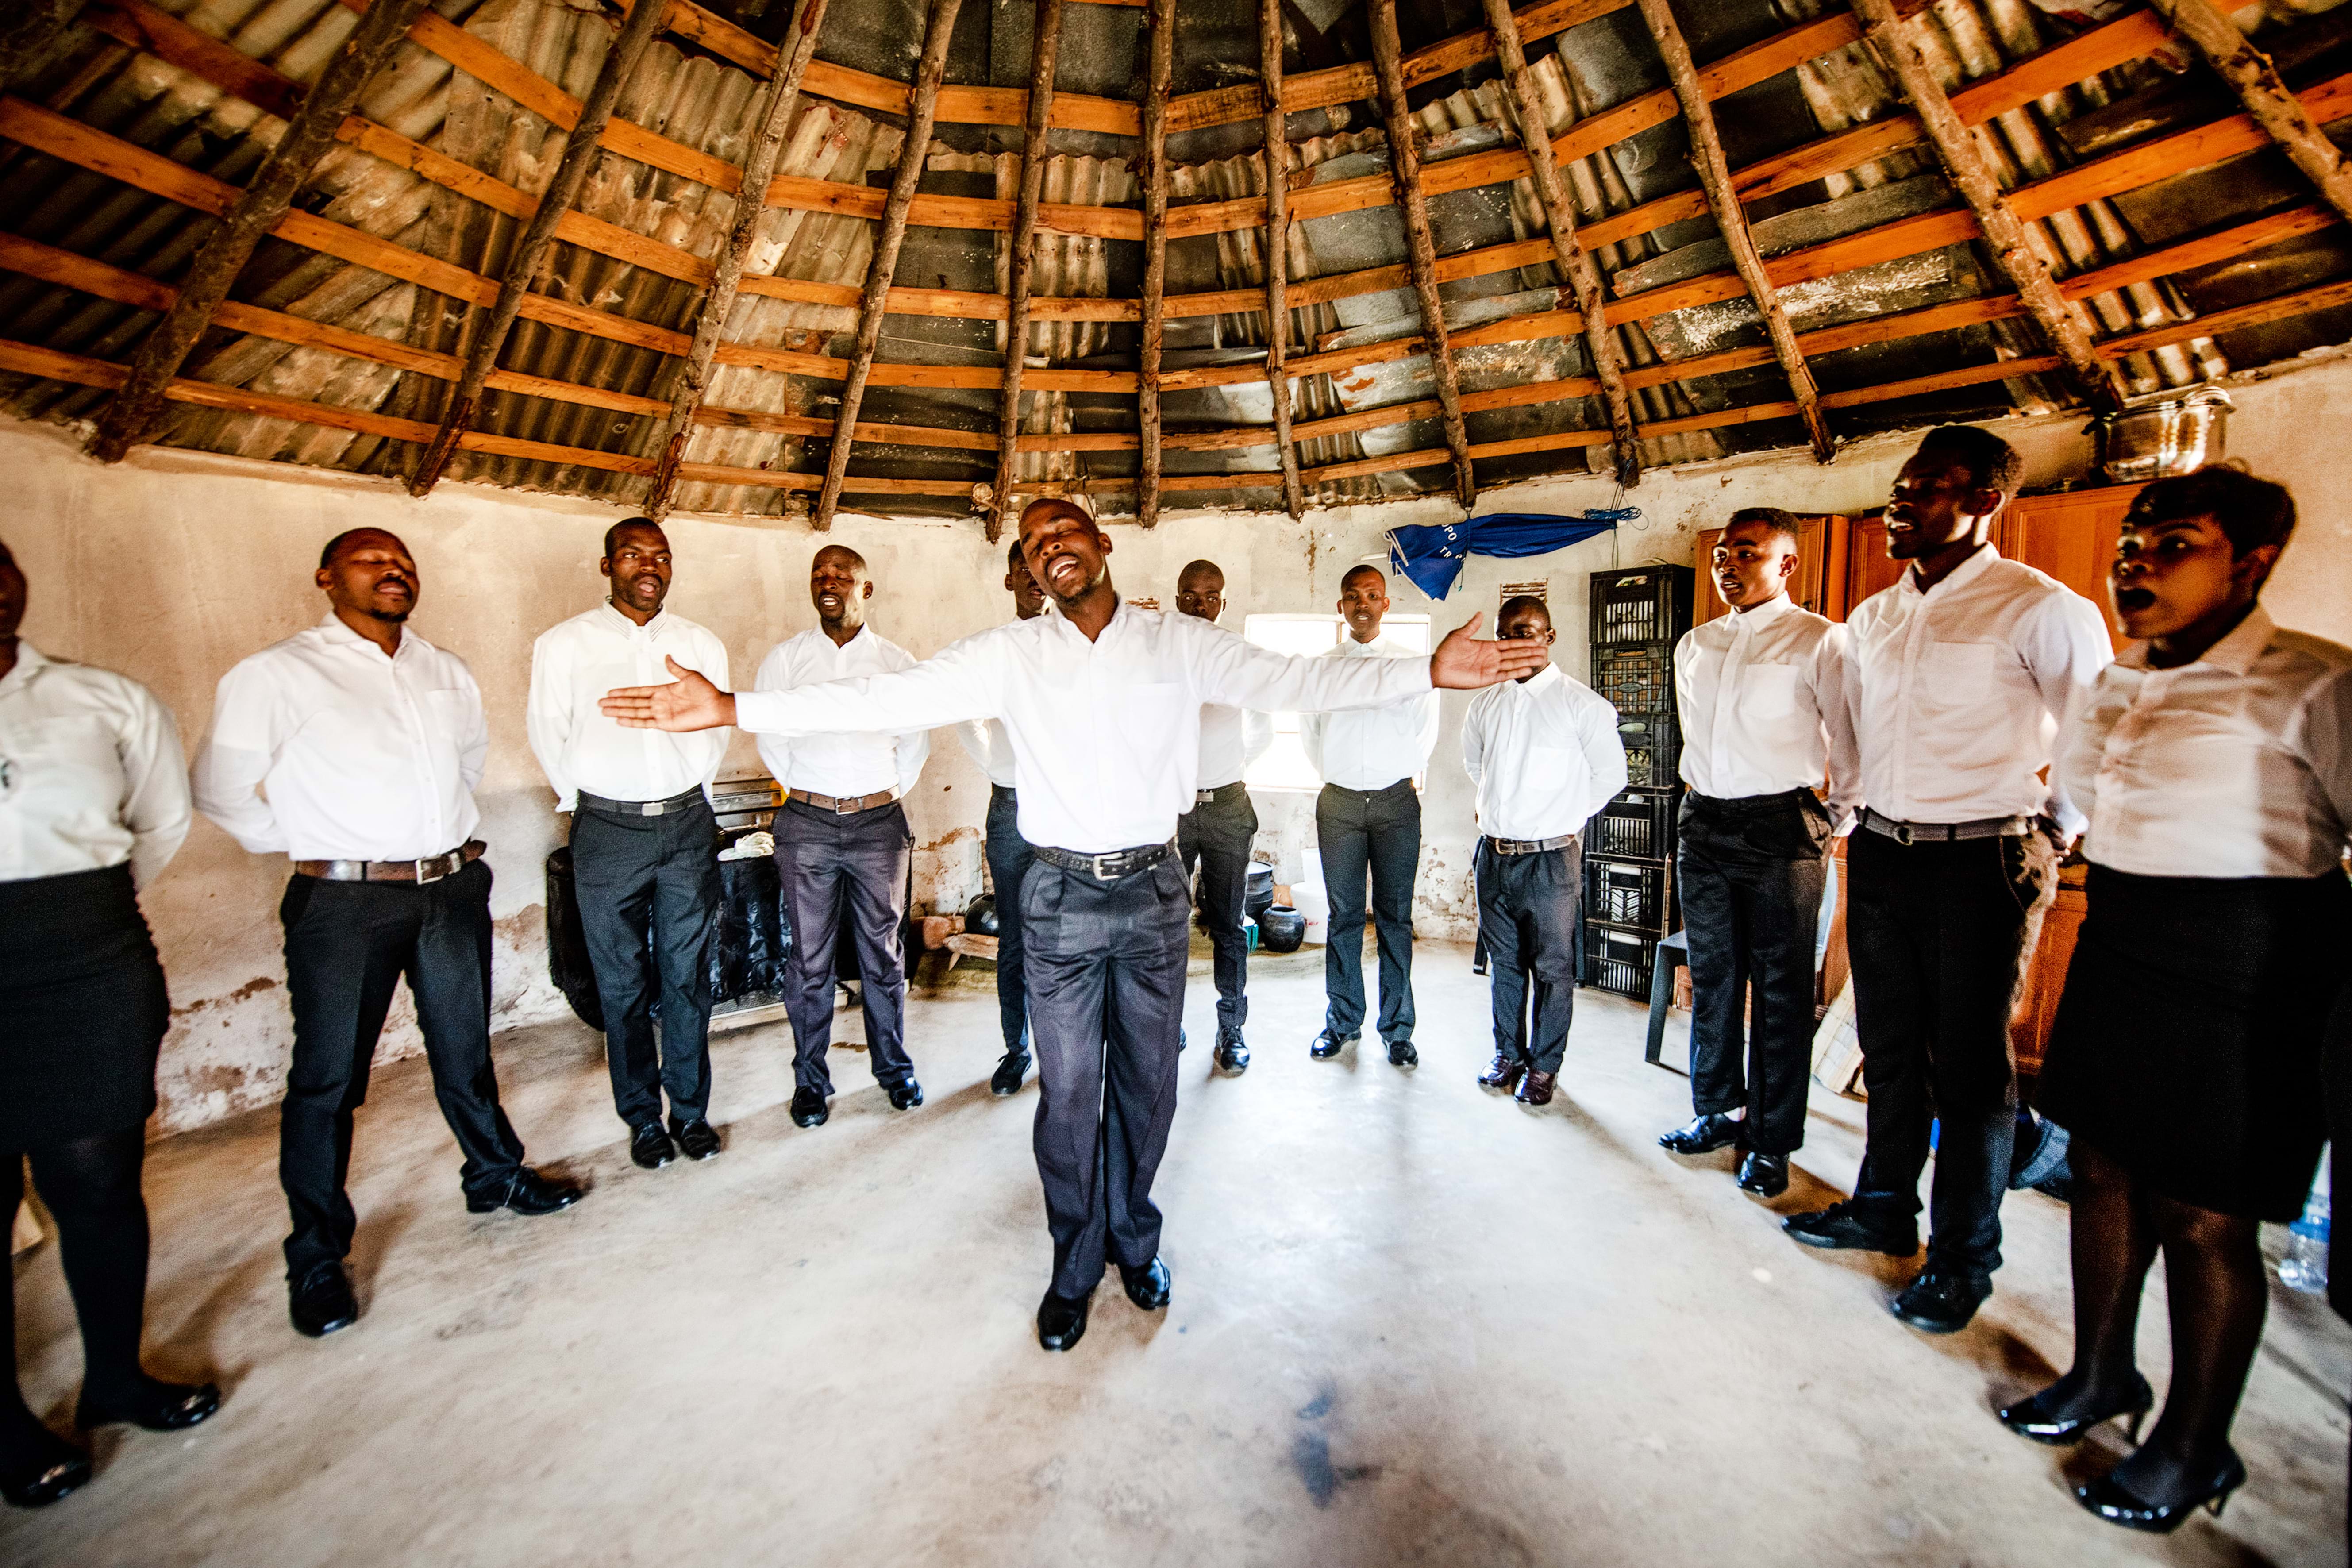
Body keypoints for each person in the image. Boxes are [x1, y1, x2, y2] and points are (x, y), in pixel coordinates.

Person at [600, 499, 1545, 1352]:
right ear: (1028, 568)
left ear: (1101, 544)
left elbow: (1294, 679)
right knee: (1067, 1095)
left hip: (1150, 895)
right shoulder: (1009, 654)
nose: (1049, 546)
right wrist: (732, 707)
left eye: (1063, 530)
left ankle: (1134, 1238)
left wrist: (1425, 670)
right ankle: (1074, 1259)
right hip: (1054, 898)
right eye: (1032, 542)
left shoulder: (1175, 641)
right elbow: (882, 697)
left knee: (1145, 1085)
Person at [2002, 468, 2352, 1532]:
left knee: (2203, 1216)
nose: (2136, 566)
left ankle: (2195, 1446)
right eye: (2130, 547)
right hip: (2124, 937)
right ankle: (2099, 1373)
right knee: (2101, 1170)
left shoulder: (2312, 683)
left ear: (2249, 564)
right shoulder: (2116, 679)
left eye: (2173, 545)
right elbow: (2081, 801)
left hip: (2253, 962)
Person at [193, 528, 583, 1341]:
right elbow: (219, 788)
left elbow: (466, 763)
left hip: (449, 888)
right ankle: (315, 1255)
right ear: (326, 576)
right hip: (344, 904)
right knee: (328, 1080)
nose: (393, 569)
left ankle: (494, 1175)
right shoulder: (276, 673)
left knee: (464, 1051)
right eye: (371, 560)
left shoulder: (444, 669)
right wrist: (314, 842)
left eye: (402, 560)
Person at [1780, 428, 2111, 1335]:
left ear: (1983, 502)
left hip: (1986, 858)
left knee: (1969, 1068)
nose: (1900, 503)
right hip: (1883, 852)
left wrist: (2058, 827)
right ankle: (1882, 1207)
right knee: (1887, 1048)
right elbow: (1850, 732)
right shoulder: (1873, 617)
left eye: (1925, 489)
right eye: (1899, 488)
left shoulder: (2038, 607)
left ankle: (1963, 1259)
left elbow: (2093, 728)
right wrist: (1849, 814)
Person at [0, 538, 219, 1509]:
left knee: (98, 1178)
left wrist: (71, 912)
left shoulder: (101, 699)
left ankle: (116, 1376)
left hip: (85, 957)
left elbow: (160, 823)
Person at [1657, 510, 1854, 1199]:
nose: (1727, 565)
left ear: (1785, 563)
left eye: (1745, 552)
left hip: (1780, 827)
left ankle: (1770, 1140)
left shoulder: (1819, 639)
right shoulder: (1694, 644)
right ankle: (1715, 1111)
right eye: (1721, 554)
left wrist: (1830, 821)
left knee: (1779, 990)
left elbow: (1850, 740)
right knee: (1713, 977)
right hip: (1703, 822)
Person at [527, 519, 730, 1171]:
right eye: (632, 554)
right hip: (607, 831)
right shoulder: (565, 644)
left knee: (687, 975)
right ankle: (642, 1119)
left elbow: (716, 732)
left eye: (660, 556)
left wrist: (687, 792)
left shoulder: (699, 643)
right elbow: (547, 730)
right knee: (620, 981)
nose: (649, 566)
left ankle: (690, 1112)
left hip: (686, 825)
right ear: (606, 565)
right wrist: (587, 801)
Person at [754, 545, 931, 1129]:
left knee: (883, 952)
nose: (827, 583)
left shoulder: (897, 663)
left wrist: (871, 797)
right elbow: (771, 737)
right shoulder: (786, 661)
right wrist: (814, 792)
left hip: (879, 825)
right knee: (809, 958)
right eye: (818, 575)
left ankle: (894, 1069)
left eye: (841, 576)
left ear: (866, 589)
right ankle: (810, 1081)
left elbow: (914, 744)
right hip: (806, 824)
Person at [1461, 595, 1625, 1108]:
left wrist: (1563, 817)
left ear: (1548, 637)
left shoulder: (1582, 706)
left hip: (1550, 860)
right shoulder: (1484, 704)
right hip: (1493, 857)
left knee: (1553, 969)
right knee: (1504, 964)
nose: (1513, 641)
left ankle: (1544, 1067)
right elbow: (1475, 767)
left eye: (1525, 631)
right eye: (1504, 633)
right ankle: (1507, 1055)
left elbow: (1610, 777)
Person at [1301, 565, 1440, 1067]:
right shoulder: (1321, 668)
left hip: (1395, 804)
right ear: (1340, 606)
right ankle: (1342, 1021)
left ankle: (1397, 1029)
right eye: (1352, 596)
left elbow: (1424, 734)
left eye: (1371, 595)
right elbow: (1310, 735)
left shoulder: (1411, 667)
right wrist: (1341, 775)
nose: (1362, 604)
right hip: (1338, 803)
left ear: (1386, 603)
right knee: (1342, 916)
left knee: (1394, 918)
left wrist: (1388, 774)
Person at [1172, 559, 1273, 1074]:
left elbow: (1261, 728)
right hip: (1172, 809)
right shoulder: (1160, 658)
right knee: (1166, 923)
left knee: (1229, 922)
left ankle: (1231, 1027)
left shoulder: (1238, 657)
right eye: (1190, 595)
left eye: (1210, 596)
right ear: (1177, 600)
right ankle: (1166, 1024)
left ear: (1223, 603)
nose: (1200, 605)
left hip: (1228, 807)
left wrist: (1225, 769)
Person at [958, 539, 1045, 1096]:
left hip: (1069, 809)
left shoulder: (1080, 643)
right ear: (1010, 580)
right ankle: (1017, 1051)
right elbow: (967, 716)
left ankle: (1066, 1051)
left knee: (1068, 936)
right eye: (1023, 569)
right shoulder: (993, 650)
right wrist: (1000, 768)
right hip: (1012, 808)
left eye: (1043, 568)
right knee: (1014, 937)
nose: (1035, 578)